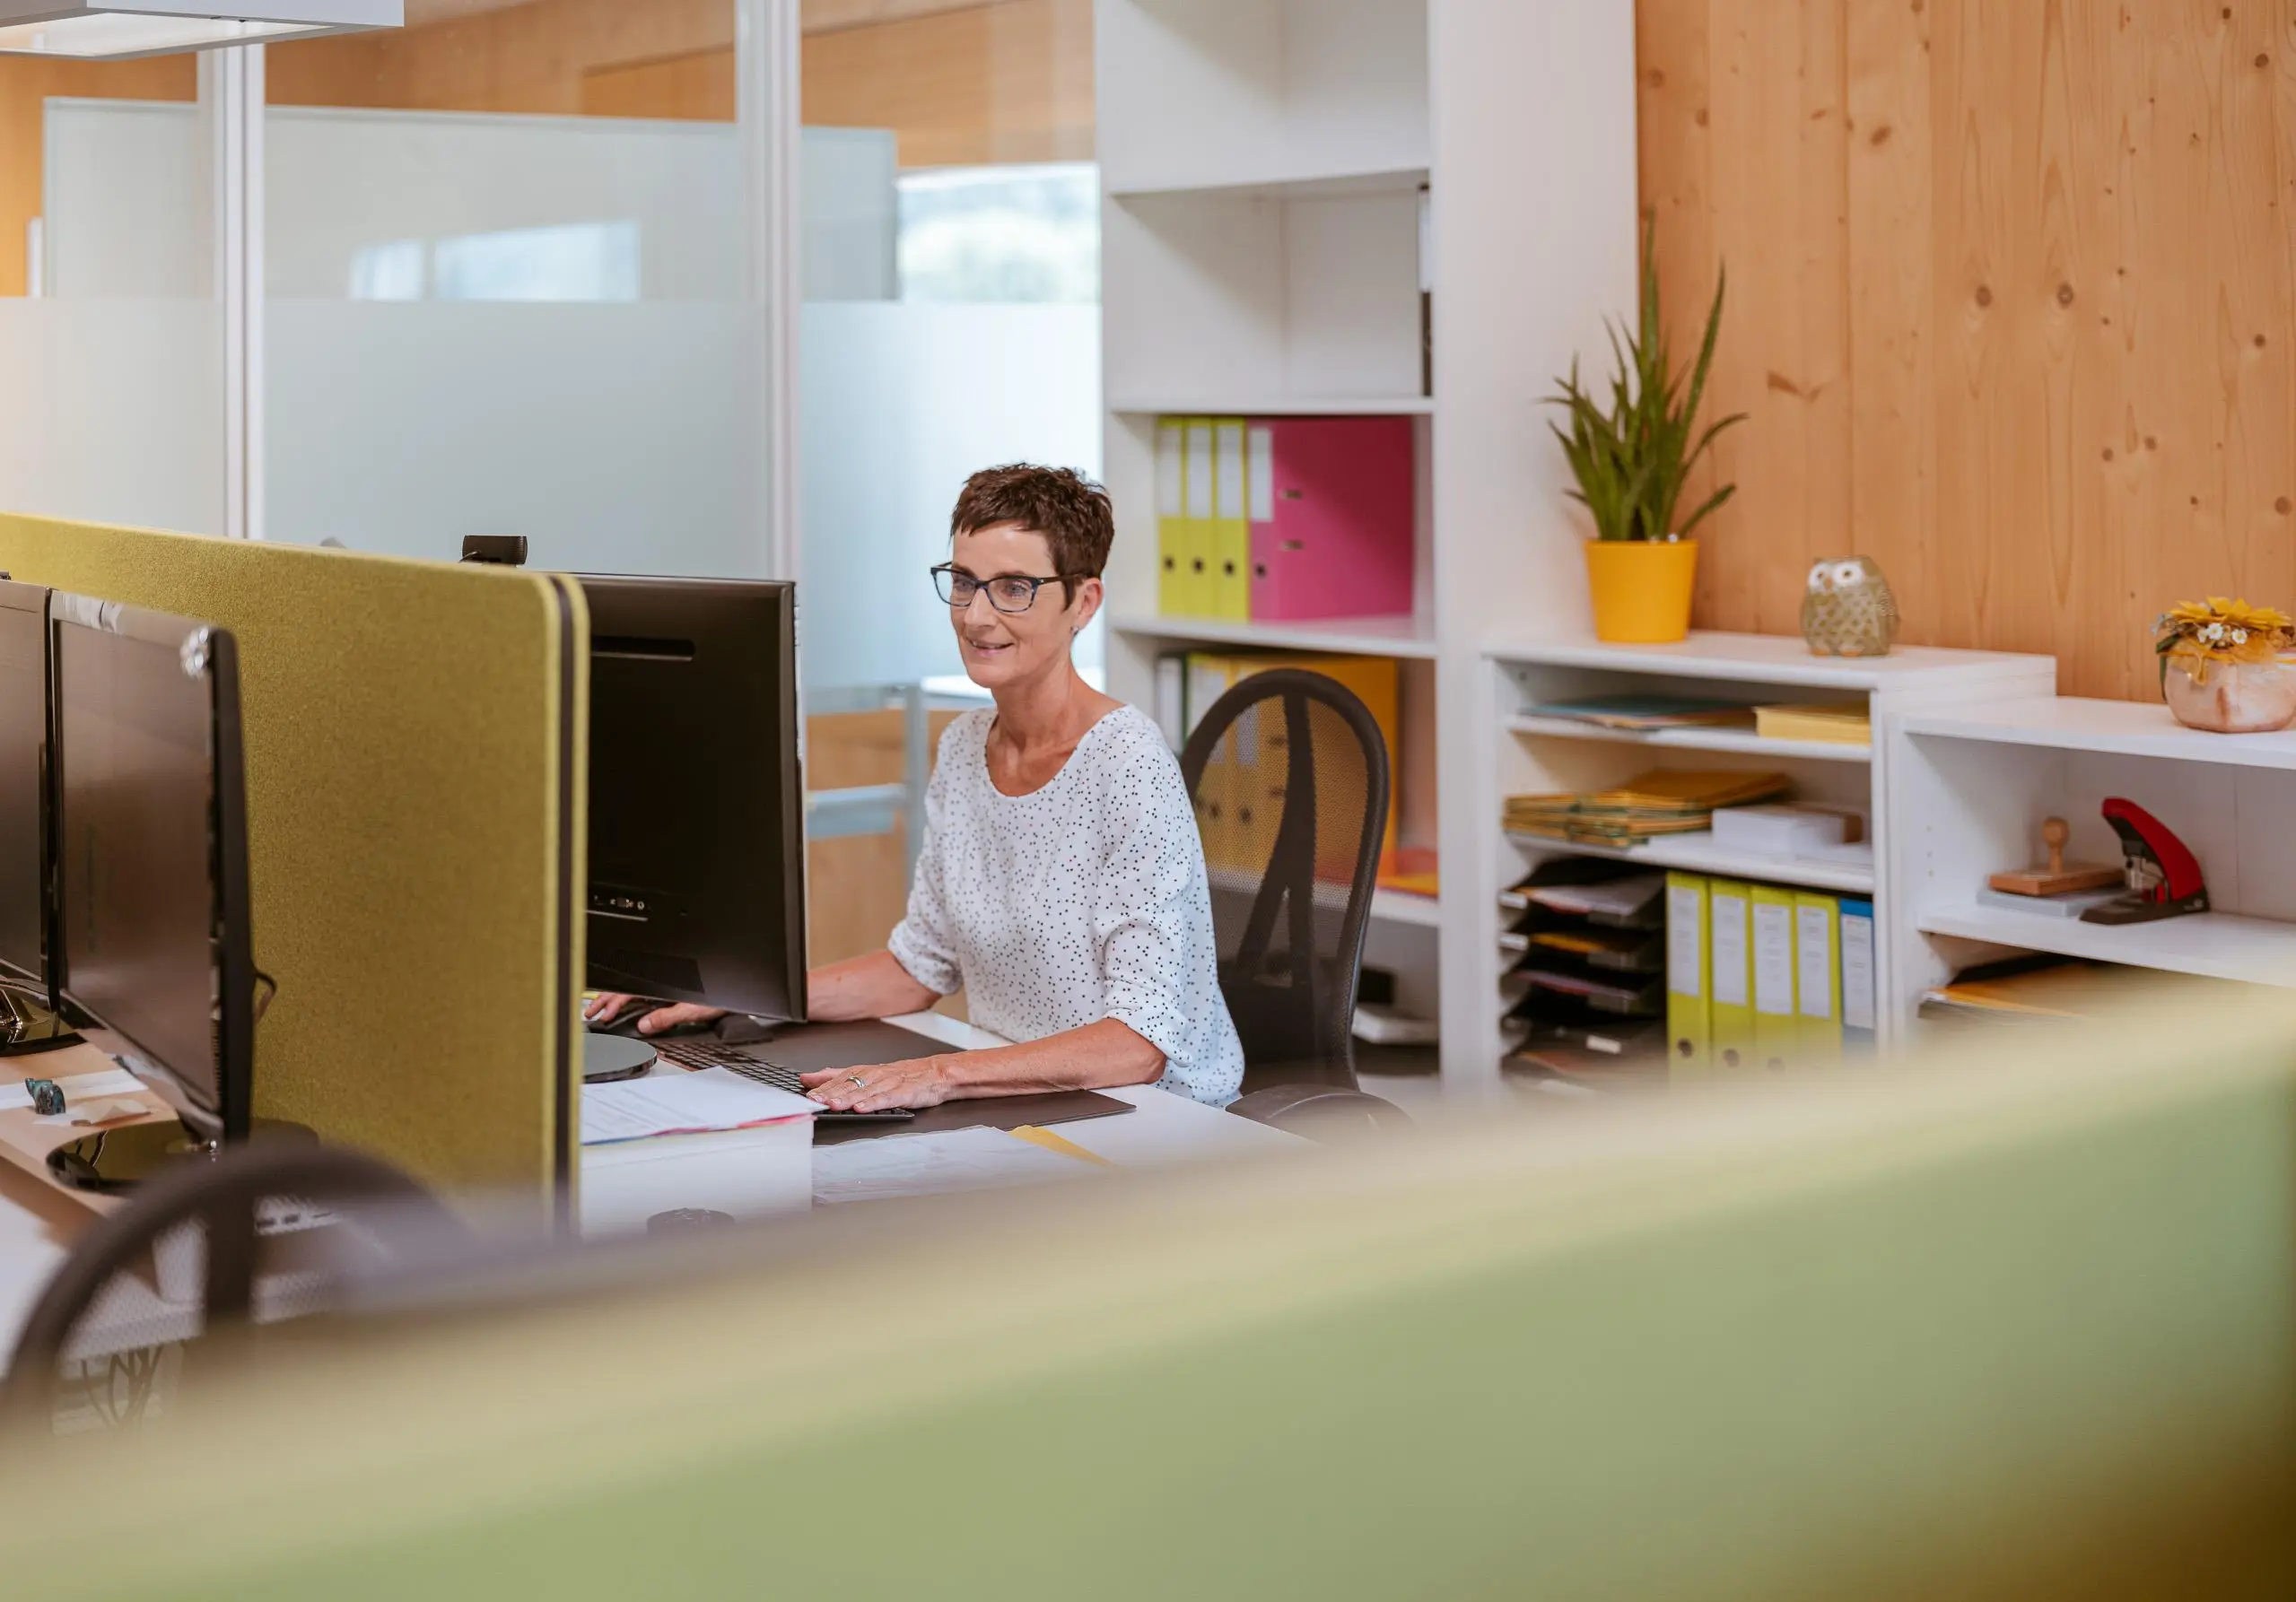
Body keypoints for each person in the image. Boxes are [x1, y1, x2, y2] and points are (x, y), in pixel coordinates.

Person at [589, 464, 1245, 1111]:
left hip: (1152, 1115)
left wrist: (940, 1073)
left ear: (1083, 601)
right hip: (1024, 1095)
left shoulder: (1127, 763)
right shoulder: (965, 745)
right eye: (964, 582)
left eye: (1014, 587)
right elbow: (919, 966)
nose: (976, 616)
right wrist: (742, 996)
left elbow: (1138, 1045)